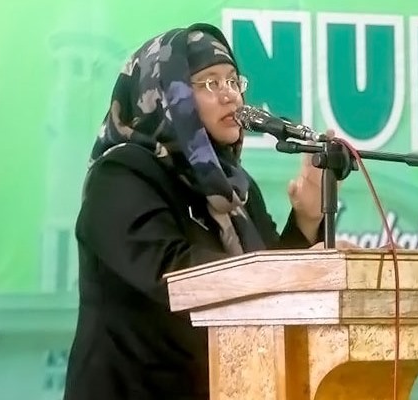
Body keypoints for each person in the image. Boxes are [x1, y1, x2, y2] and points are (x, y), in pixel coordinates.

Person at [63, 22, 329, 400]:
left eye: (233, 81)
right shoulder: (122, 175)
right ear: (165, 94)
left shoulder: (236, 187)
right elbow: (173, 273)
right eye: (210, 83)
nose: (231, 96)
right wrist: (289, 274)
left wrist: (306, 218)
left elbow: (269, 287)